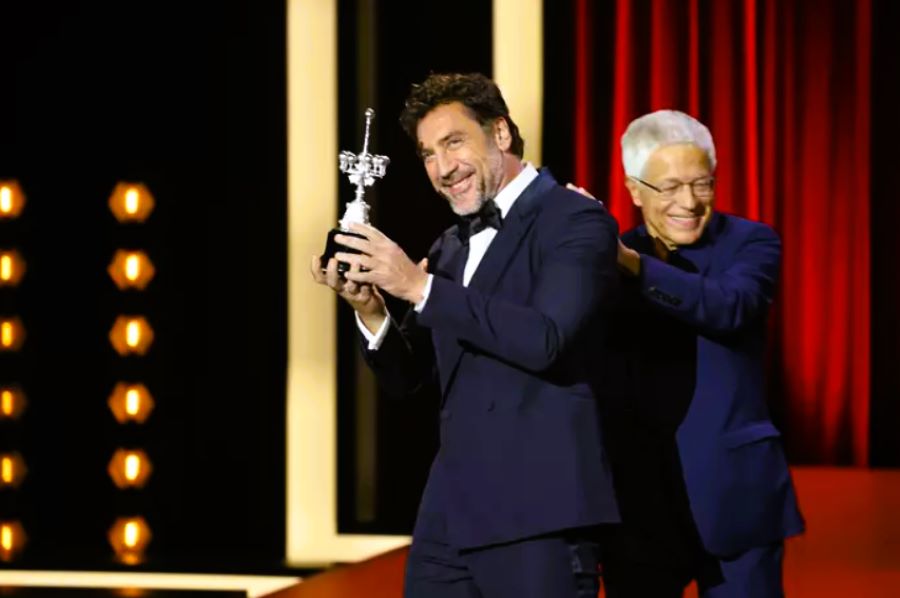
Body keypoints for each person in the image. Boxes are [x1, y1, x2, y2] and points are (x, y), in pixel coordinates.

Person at [310, 72, 620, 598]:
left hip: (537, 512)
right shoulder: (451, 245)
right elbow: (409, 378)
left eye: (453, 143)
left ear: (500, 133)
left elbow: (545, 339)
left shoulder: (577, 220)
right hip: (448, 517)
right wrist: (371, 310)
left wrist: (418, 284)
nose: (441, 168)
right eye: (428, 154)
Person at [597, 109, 805, 597]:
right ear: (634, 190)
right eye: (668, 187)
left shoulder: (750, 242)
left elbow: (729, 307)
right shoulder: (605, 257)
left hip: (736, 496)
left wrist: (632, 266)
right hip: (638, 503)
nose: (688, 202)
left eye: (702, 184)